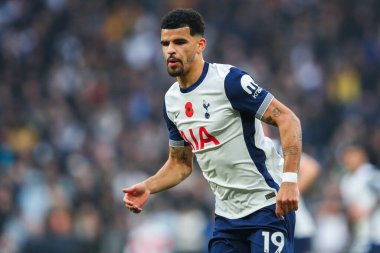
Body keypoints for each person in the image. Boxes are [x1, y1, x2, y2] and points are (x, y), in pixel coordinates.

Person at [122, 8, 302, 253]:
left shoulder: (229, 81)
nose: (171, 50)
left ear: (200, 45)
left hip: (267, 205)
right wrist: (149, 186)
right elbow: (180, 164)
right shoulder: (171, 101)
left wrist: (290, 181)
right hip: (226, 217)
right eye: (165, 43)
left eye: (180, 42)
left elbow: (288, 120)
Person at [339, 145, 380, 253]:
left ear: (361, 155)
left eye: (352, 155)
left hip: (376, 232)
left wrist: (368, 210)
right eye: (346, 156)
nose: (348, 159)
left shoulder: (371, 174)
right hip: (360, 235)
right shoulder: (346, 180)